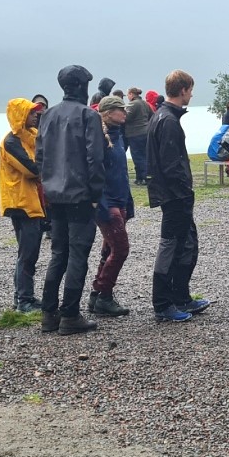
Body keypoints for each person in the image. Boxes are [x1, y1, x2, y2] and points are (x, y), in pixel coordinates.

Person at [37, 66, 106, 336]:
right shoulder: (88, 115)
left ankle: (49, 312)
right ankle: (70, 314)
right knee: (77, 254)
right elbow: (94, 157)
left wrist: (47, 188)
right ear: (81, 86)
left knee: (59, 254)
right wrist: (95, 194)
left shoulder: (49, 115)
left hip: (54, 194)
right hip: (79, 195)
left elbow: (40, 156)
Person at [148, 70, 209, 323]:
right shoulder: (168, 121)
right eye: (190, 89)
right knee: (172, 247)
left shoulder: (162, 116)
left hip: (173, 195)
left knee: (186, 246)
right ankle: (163, 303)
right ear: (183, 89)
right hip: (175, 197)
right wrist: (185, 192)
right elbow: (171, 165)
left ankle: (181, 296)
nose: (192, 94)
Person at [0, 98, 48, 314]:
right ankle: (23, 300)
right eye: (31, 112)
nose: (36, 115)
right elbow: (32, 169)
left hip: (33, 200)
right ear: (20, 115)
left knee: (31, 251)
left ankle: (23, 296)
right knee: (27, 253)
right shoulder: (11, 142)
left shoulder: (31, 137)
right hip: (20, 202)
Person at [90, 96, 134, 316]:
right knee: (121, 249)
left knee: (109, 248)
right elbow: (95, 173)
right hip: (108, 203)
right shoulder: (98, 139)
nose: (125, 113)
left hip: (120, 199)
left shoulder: (118, 136)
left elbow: (121, 172)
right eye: (120, 110)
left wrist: (128, 201)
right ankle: (104, 295)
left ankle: (96, 296)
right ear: (107, 113)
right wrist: (103, 204)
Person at [124, 87, 152, 185]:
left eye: (128, 94)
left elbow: (126, 117)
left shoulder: (133, 104)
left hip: (135, 133)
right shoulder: (145, 103)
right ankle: (144, 176)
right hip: (145, 131)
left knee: (137, 157)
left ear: (131, 94)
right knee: (145, 155)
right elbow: (152, 115)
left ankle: (142, 177)